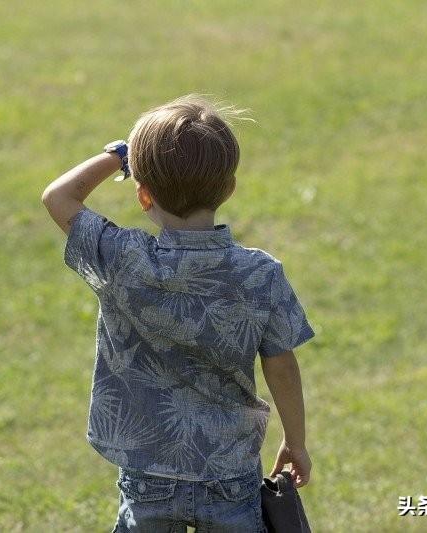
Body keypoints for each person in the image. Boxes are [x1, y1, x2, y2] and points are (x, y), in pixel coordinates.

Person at [41, 94, 316, 532]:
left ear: (143, 195)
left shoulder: (121, 260)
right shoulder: (259, 274)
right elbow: (281, 365)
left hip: (146, 468)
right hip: (229, 471)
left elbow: (58, 197)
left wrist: (117, 156)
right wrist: (295, 442)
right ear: (228, 187)